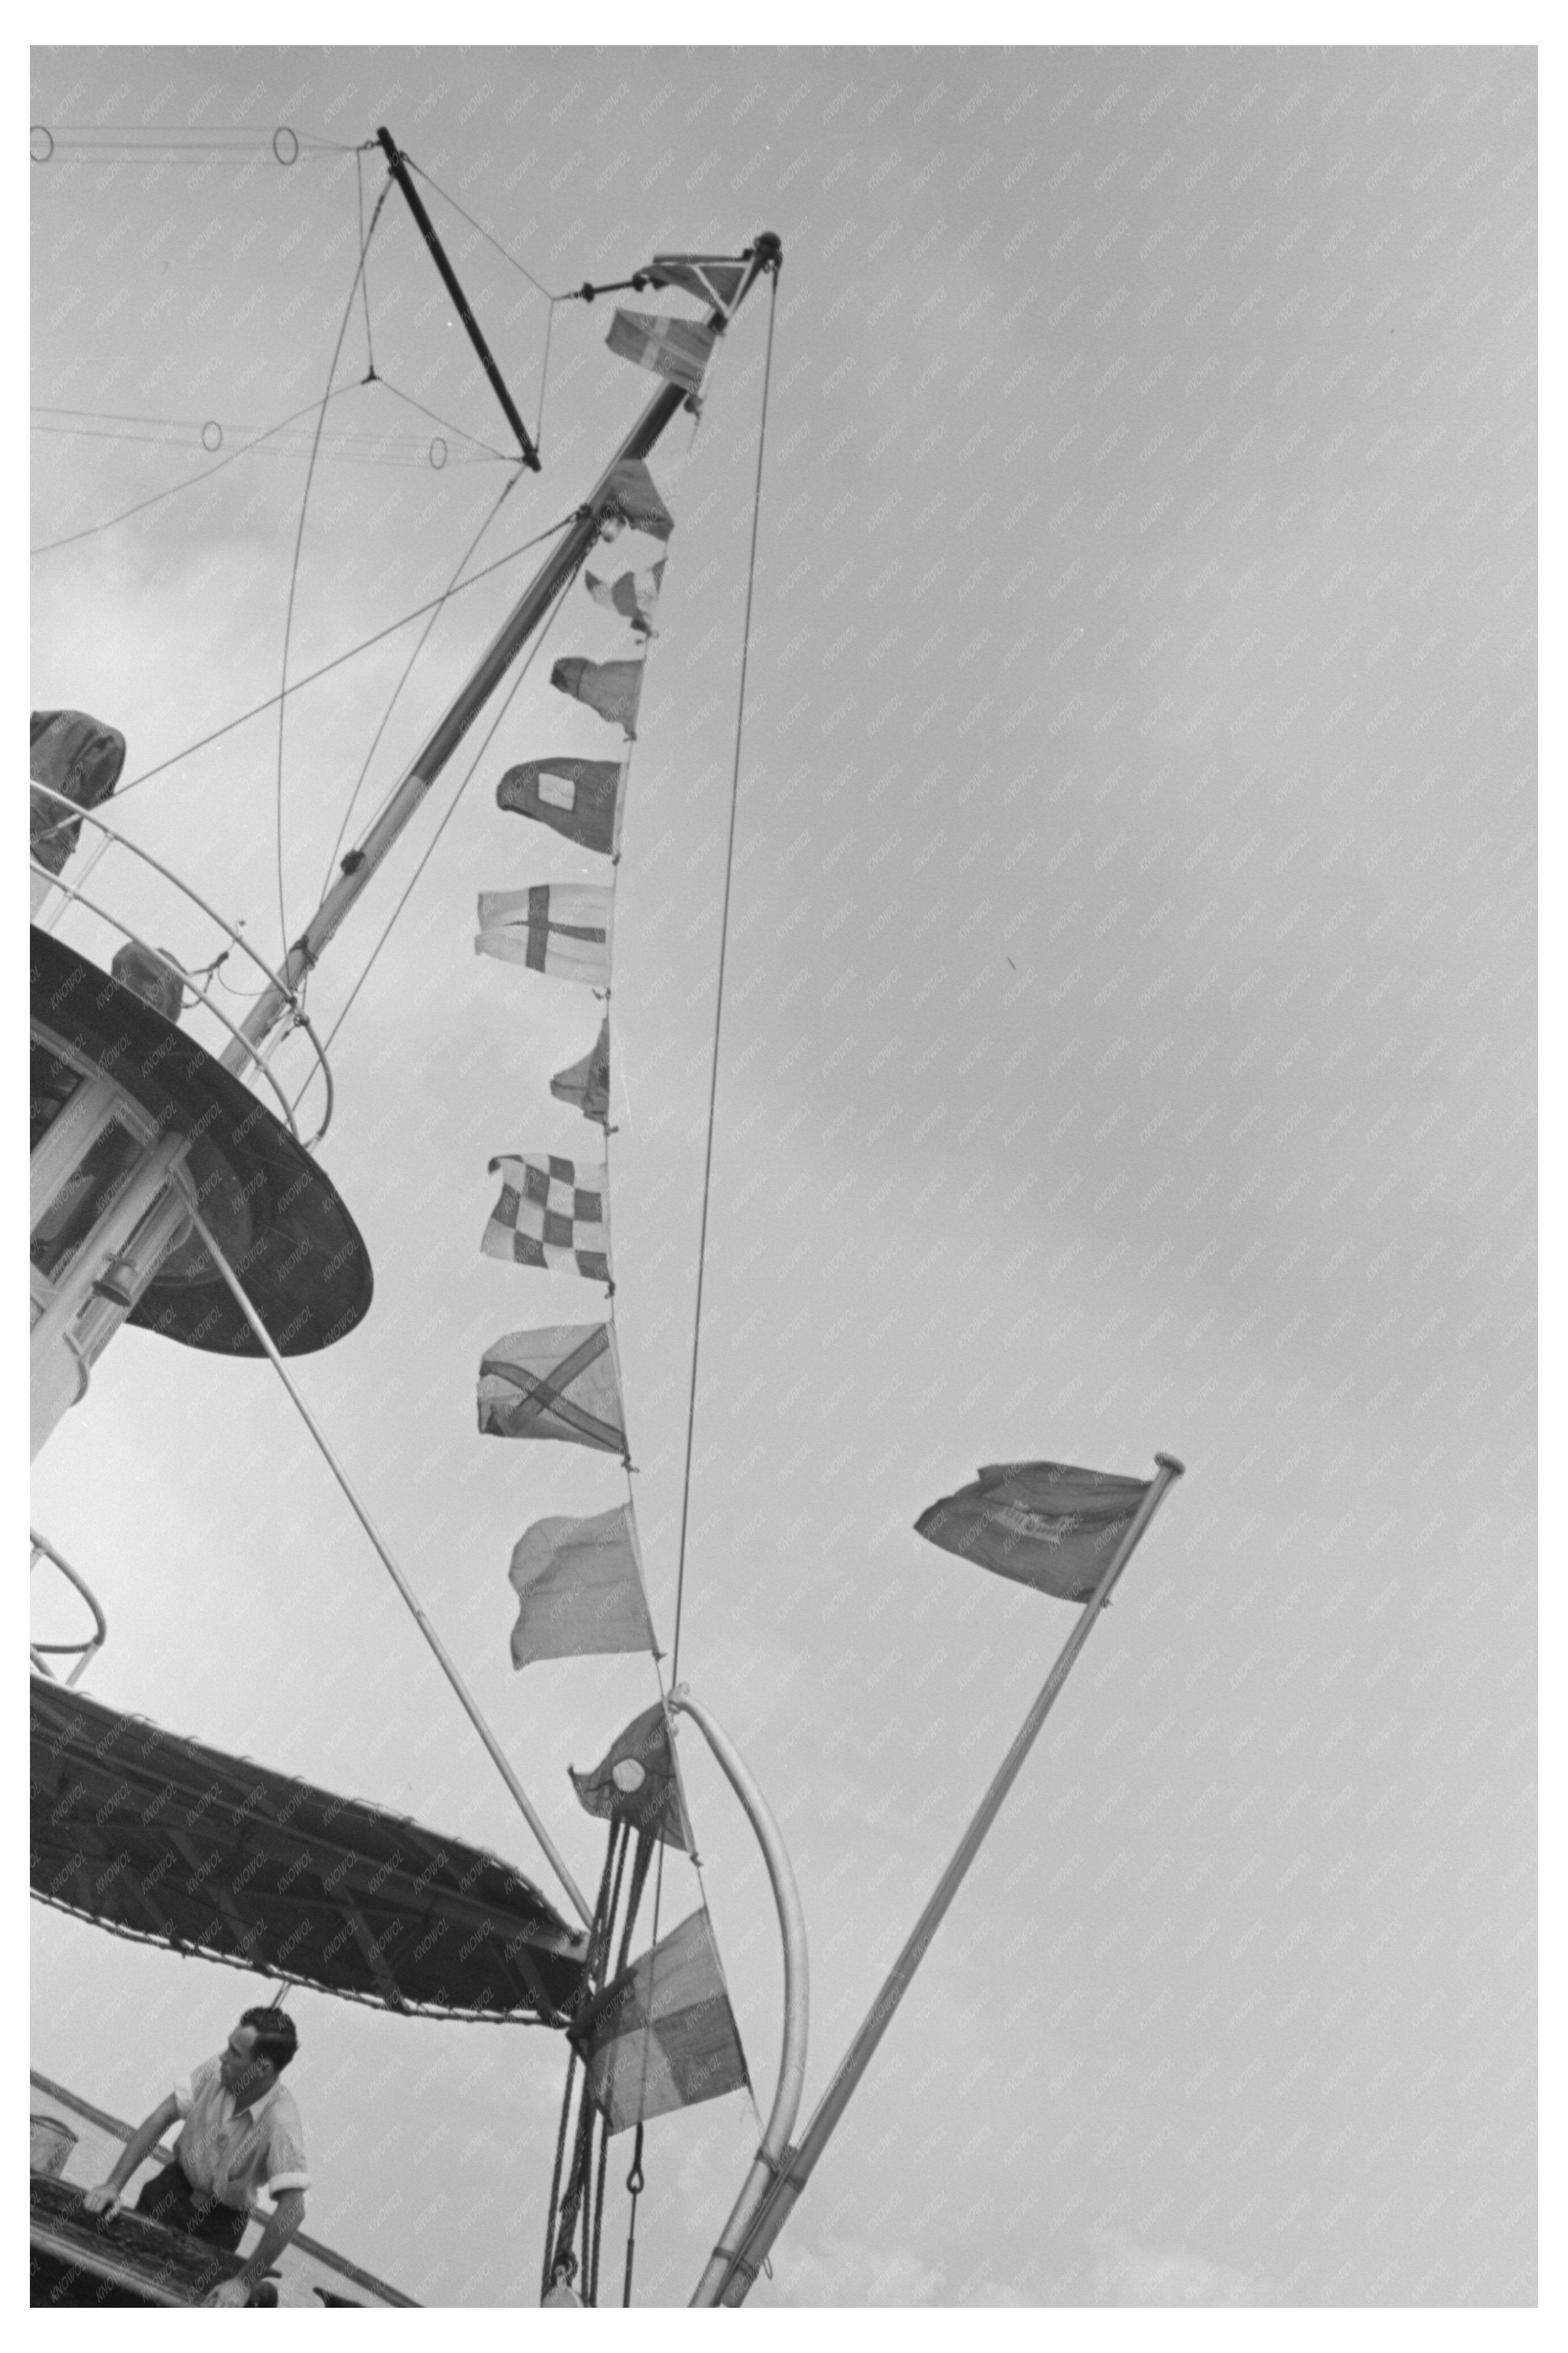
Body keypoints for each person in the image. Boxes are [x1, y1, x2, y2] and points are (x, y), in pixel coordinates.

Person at [82, 2007, 310, 2308]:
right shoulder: (217, 2071)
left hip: (220, 2226)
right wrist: (113, 2185)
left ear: (262, 2068)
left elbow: (293, 2209)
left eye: (235, 2053)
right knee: (117, 2289)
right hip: (169, 2193)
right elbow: (162, 2117)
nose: (223, 2057)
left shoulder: (282, 2121)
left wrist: (244, 2281)